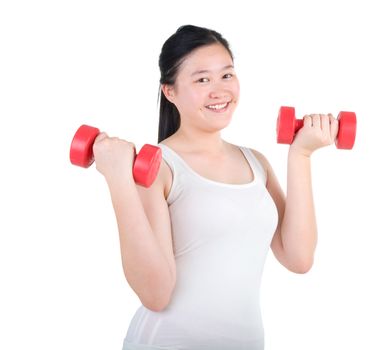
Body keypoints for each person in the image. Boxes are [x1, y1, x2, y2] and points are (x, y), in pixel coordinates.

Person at [92, 24, 339, 350]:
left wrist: (301, 153)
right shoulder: (161, 166)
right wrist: (118, 180)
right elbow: (155, 293)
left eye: (226, 75)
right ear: (170, 91)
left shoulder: (256, 163)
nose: (219, 90)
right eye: (201, 79)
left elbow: (298, 257)